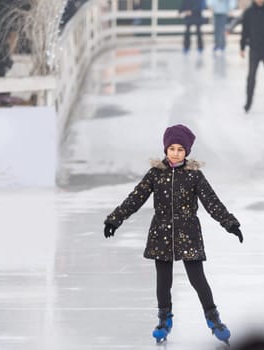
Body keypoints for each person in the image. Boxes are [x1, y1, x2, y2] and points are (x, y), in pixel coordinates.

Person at [104, 124, 244, 345]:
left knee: (198, 278)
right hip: (161, 234)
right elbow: (135, 198)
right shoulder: (155, 174)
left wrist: (230, 223)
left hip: (188, 233)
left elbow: (212, 202)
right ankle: (164, 319)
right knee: (163, 281)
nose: (176, 153)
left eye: (180, 149)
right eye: (172, 148)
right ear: (165, 149)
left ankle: (213, 318)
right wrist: (115, 219)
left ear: (186, 152)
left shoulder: (194, 176)